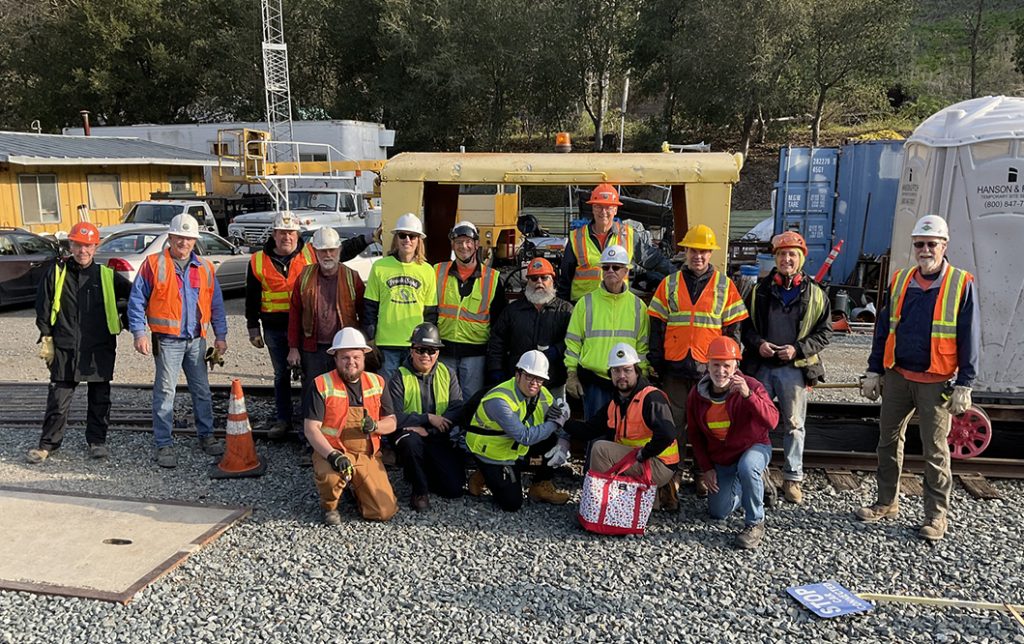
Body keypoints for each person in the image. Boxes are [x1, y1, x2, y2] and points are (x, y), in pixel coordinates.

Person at [856, 214, 979, 542]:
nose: (925, 250)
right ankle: (886, 503)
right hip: (898, 376)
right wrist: (874, 370)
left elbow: (970, 337)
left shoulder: (960, 283)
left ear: (944, 246)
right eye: (920, 244)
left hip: (936, 381)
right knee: (887, 442)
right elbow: (884, 330)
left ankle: (936, 516)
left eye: (931, 244)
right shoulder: (901, 281)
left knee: (935, 450)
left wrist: (965, 383)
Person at [648, 224, 748, 503]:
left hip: (710, 370)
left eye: (704, 251)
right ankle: (674, 473)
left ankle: (704, 473)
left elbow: (734, 329)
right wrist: (657, 360)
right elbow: (656, 324)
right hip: (675, 366)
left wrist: (730, 364)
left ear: (710, 253)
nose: (698, 256)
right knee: (674, 425)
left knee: (709, 426)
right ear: (686, 252)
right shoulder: (669, 284)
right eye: (694, 250)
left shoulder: (724, 286)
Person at [127, 214, 228, 468]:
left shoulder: (205, 268)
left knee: (202, 391)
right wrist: (139, 333)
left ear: (195, 241)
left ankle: (206, 436)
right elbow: (136, 301)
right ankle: (164, 444)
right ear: (170, 238)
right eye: (179, 237)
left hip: (196, 341)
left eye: (188, 238)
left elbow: (216, 304)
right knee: (165, 393)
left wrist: (221, 335)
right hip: (167, 341)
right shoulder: (153, 264)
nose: (184, 242)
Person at [26, 222, 131, 464]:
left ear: (95, 247)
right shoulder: (56, 273)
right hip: (65, 346)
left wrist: (125, 317)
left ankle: (97, 442)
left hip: (99, 346)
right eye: (78, 245)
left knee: (100, 398)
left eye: (88, 246)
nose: (82, 250)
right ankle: (47, 445)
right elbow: (43, 306)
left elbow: (134, 296)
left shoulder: (106, 275)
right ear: (70, 245)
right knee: (58, 399)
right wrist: (46, 336)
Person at [741, 231, 831, 505]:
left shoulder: (816, 295)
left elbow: (824, 333)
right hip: (762, 366)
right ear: (775, 258)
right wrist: (758, 344)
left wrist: (798, 349)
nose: (786, 259)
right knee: (755, 420)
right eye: (782, 254)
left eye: (792, 254)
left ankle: (792, 478)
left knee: (794, 424)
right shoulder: (759, 291)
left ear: (801, 258)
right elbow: (745, 327)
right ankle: (757, 473)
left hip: (794, 367)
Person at [688, 337, 779, 550]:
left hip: (754, 448)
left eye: (726, 366)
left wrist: (748, 396)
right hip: (724, 458)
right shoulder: (697, 394)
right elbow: (694, 434)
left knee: (748, 466)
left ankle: (755, 522)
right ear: (707, 365)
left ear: (735, 366)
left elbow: (773, 421)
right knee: (719, 512)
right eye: (715, 365)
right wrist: (707, 468)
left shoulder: (752, 386)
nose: (720, 371)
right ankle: (753, 486)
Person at [304, 327, 399, 525]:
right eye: (345, 357)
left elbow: (392, 422)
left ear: (364, 357)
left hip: (366, 454)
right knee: (330, 479)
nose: (351, 362)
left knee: (383, 511)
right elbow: (311, 429)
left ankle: (355, 489)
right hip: (331, 451)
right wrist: (332, 455)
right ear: (335, 358)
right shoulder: (321, 384)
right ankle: (330, 506)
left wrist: (376, 426)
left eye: (356, 357)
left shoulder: (378, 382)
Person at [466, 350, 572, 511]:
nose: (534, 383)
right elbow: (524, 436)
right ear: (518, 375)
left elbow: (556, 418)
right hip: (492, 452)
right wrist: (557, 423)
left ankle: (540, 485)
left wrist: (563, 440)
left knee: (551, 440)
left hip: (514, 448)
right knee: (512, 504)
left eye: (539, 378)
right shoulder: (500, 400)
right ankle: (484, 473)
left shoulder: (542, 393)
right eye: (529, 376)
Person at [567, 343, 678, 490]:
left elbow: (668, 434)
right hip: (641, 461)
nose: (621, 376)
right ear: (610, 374)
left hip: (659, 463)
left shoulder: (651, 397)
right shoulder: (616, 403)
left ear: (637, 372)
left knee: (601, 449)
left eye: (627, 370)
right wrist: (563, 422)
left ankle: (602, 500)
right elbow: (588, 430)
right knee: (603, 446)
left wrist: (645, 453)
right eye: (616, 370)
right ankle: (632, 498)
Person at [245, 212, 315, 438]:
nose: (287, 237)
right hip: (274, 327)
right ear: (274, 234)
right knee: (281, 375)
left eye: (291, 232)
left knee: (308, 375)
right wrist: (253, 328)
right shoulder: (257, 261)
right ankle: (283, 420)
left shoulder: (310, 254)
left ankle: (309, 423)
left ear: (297, 234)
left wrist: (369, 239)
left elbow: (341, 251)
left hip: (305, 327)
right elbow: (252, 297)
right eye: (282, 232)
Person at [287, 226, 365, 421]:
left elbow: (364, 314)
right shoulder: (304, 277)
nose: (328, 255)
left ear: (339, 250)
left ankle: (342, 429)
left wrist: (364, 345)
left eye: (332, 250)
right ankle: (310, 433)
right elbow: (295, 314)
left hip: (343, 348)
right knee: (312, 391)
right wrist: (293, 348)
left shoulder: (352, 277)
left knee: (344, 390)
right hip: (313, 349)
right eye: (323, 250)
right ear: (315, 251)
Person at [386, 323, 466, 512]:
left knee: (454, 489)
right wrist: (427, 418)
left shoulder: (448, 373)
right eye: (420, 350)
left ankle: (418, 472)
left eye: (431, 351)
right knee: (411, 442)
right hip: (408, 436)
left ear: (438, 352)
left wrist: (428, 430)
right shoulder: (398, 377)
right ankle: (419, 492)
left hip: (436, 435)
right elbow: (394, 417)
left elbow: (457, 408)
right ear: (411, 350)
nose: (426, 355)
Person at [565, 245, 649, 419]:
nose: (610, 271)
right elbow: (573, 343)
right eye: (606, 267)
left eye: (616, 267)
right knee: (596, 432)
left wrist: (643, 377)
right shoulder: (585, 303)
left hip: (628, 383)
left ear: (626, 271)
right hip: (595, 383)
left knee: (626, 432)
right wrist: (571, 375)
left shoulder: (638, 306)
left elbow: (642, 346)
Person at [556, 183, 673, 303]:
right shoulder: (577, 237)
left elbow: (654, 260)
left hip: (616, 305)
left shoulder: (628, 235)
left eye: (608, 207)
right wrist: (563, 309)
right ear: (593, 208)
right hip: (584, 307)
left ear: (615, 210)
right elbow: (565, 280)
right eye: (598, 206)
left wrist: (679, 276)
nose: (603, 211)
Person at [434, 220, 505, 399]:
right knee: (443, 398)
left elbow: (499, 322)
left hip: (475, 354)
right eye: (458, 242)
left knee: (471, 400)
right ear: (452, 245)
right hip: (444, 349)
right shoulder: (437, 271)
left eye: (468, 241)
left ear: (476, 244)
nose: (463, 246)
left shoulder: (492, 278)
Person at [364, 213, 437, 380]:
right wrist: (370, 339)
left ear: (419, 240)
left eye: (412, 236)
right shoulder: (380, 267)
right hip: (386, 344)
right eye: (402, 235)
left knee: (413, 388)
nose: (407, 240)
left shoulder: (427, 270)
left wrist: (426, 344)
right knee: (387, 389)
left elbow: (430, 313)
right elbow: (370, 308)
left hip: (415, 345)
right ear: (396, 238)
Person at [487, 257, 573, 395]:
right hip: (518, 384)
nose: (539, 282)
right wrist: (495, 368)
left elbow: (575, 340)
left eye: (544, 278)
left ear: (552, 280)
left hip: (553, 383)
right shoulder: (512, 311)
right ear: (527, 282)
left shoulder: (566, 310)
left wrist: (557, 350)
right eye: (534, 278)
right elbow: (497, 340)